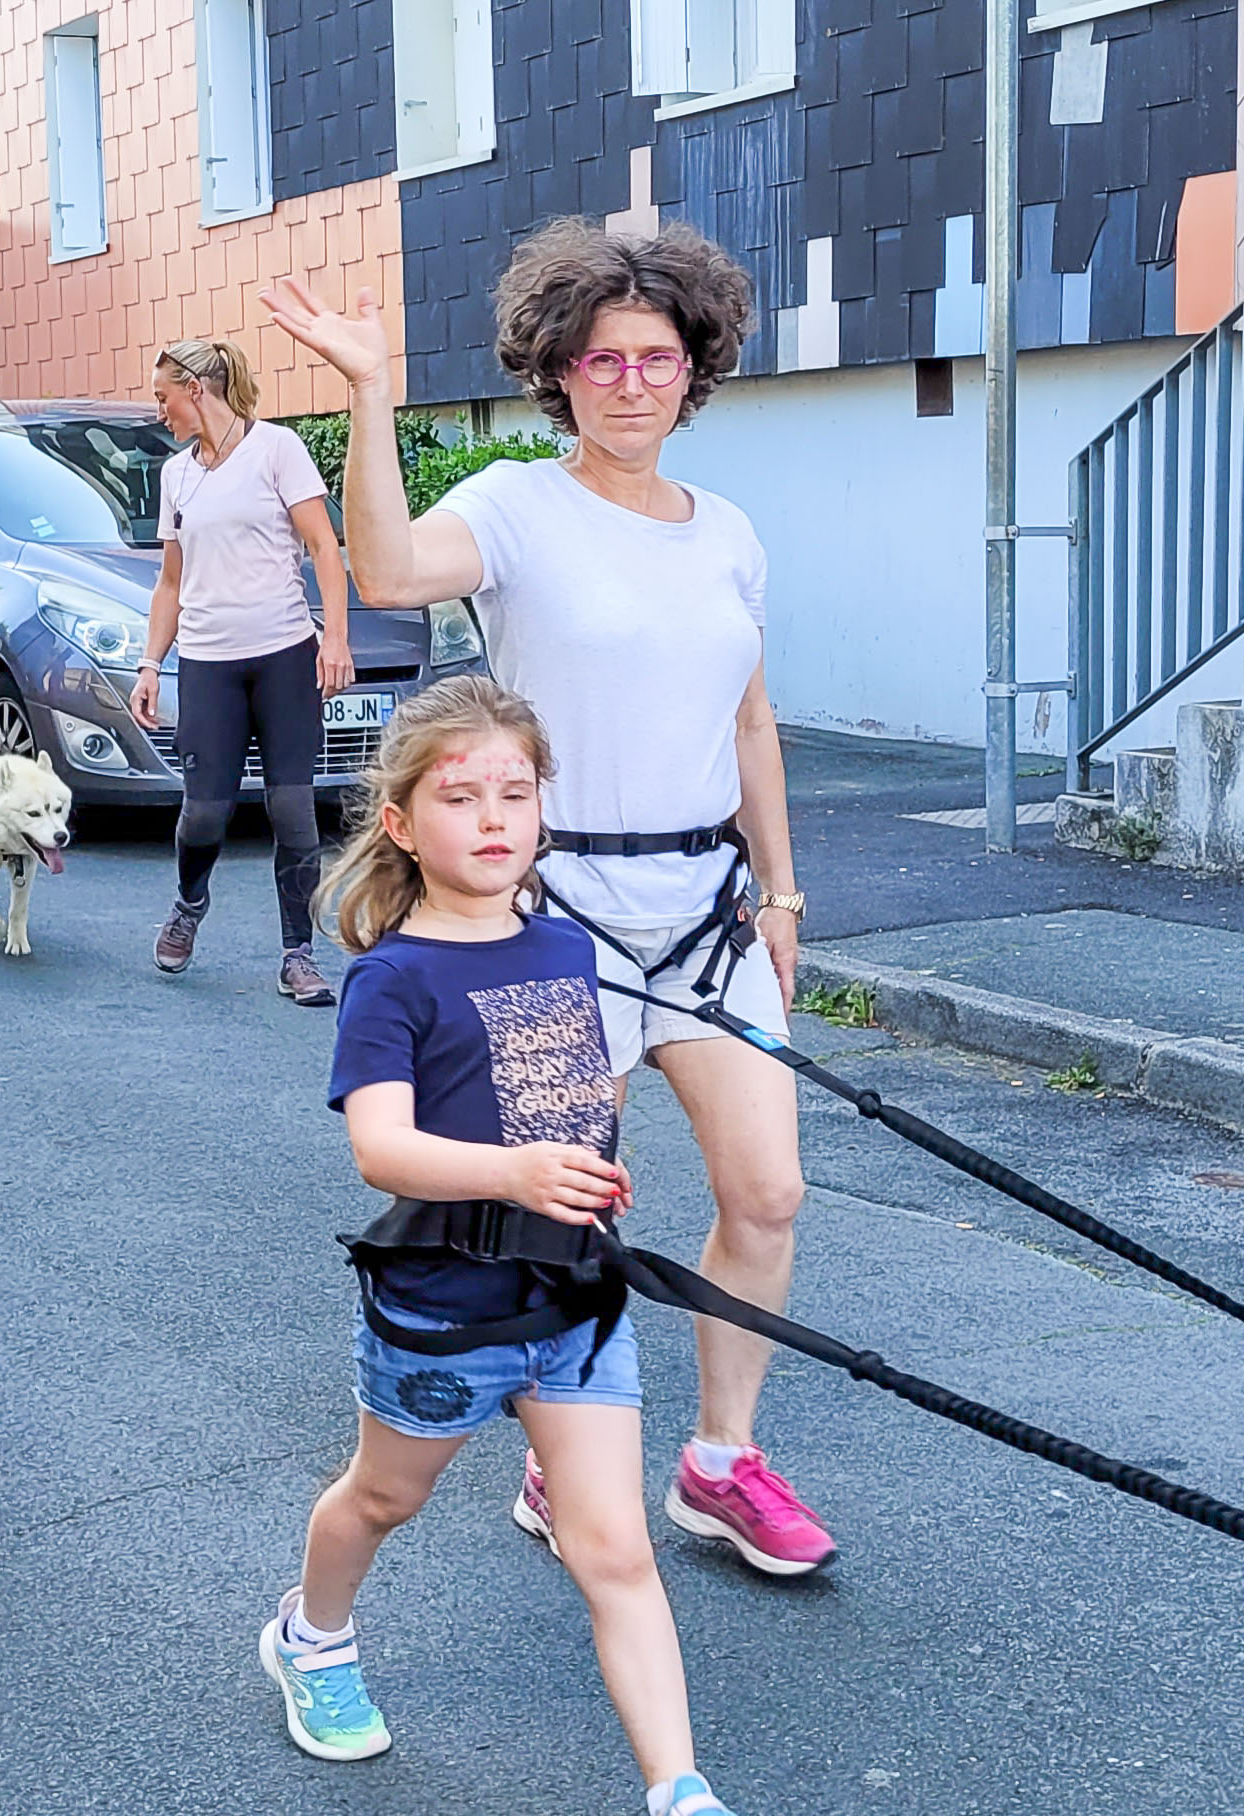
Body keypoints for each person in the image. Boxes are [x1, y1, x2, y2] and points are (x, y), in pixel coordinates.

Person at [264, 224, 833, 1577]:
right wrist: (363, 397)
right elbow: (390, 572)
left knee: (767, 1193)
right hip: (554, 912)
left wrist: (781, 891)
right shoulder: (519, 507)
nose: (631, 382)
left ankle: (717, 1461)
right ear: (556, 372)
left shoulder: (730, 535)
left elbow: (749, 722)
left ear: (692, 368)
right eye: (601, 359)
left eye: (658, 358)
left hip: (703, 909)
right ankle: (560, 1449)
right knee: (571, 1204)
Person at [265, 675, 734, 1816]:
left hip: (574, 1307)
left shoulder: (571, 950)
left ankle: (678, 1790)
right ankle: (309, 1634)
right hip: (442, 1311)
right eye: (459, 796)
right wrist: (515, 1174)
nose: (491, 819)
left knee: (614, 1552)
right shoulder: (390, 978)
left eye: (514, 794)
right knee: (379, 1498)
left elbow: (575, 1100)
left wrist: (579, 1174)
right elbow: (380, 1147)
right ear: (399, 824)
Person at [126, 337, 352, 1008]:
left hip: (283, 654)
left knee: (292, 811)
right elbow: (170, 582)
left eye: (163, 397)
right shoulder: (177, 475)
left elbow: (323, 547)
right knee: (204, 813)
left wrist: (332, 639)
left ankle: (298, 956)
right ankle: (188, 904)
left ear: (196, 390)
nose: (159, 410)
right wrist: (148, 663)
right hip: (207, 662)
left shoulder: (276, 449)